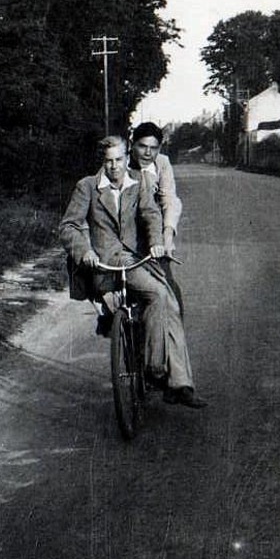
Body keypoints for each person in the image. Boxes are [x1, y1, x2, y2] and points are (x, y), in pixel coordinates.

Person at [59, 135, 207, 408]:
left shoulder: (139, 184)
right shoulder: (88, 187)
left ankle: (172, 378)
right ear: (102, 162)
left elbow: (152, 215)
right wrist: (85, 252)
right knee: (156, 297)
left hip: (135, 260)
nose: (114, 167)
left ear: (127, 158)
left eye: (118, 159)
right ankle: (156, 369)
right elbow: (69, 226)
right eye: (108, 161)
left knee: (166, 299)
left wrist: (156, 243)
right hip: (103, 265)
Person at [128, 121, 181, 257]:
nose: (148, 153)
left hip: (153, 232)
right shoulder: (119, 163)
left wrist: (167, 238)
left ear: (159, 148)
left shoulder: (162, 163)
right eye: (142, 146)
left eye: (153, 148)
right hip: (125, 232)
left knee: (163, 276)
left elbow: (169, 199)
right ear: (131, 144)